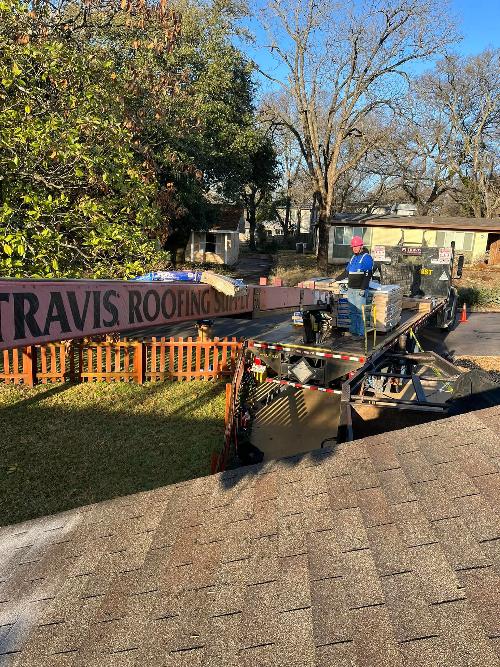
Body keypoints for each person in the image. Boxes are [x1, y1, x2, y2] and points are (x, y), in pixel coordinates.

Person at [336, 236, 374, 337]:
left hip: (359, 290)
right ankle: (353, 331)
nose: (354, 249)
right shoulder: (353, 257)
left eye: (356, 246)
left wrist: (363, 288)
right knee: (352, 312)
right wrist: (335, 280)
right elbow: (346, 272)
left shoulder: (367, 258)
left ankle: (360, 333)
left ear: (361, 246)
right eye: (353, 247)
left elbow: (368, 274)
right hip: (351, 289)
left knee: (360, 313)